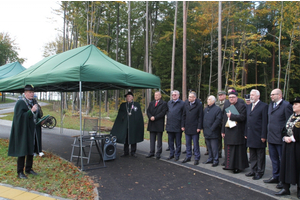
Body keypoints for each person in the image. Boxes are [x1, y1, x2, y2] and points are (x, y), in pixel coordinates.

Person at [8, 85, 43, 179]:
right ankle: (20, 172)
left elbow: (36, 115)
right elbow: (19, 117)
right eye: (29, 92)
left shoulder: (34, 102)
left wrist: (40, 119)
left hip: (32, 131)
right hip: (23, 131)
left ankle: (28, 169)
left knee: (31, 150)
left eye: (32, 92)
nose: (32, 94)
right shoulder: (21, 103)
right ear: (25, 93)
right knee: (23, 150)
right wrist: (31, 111)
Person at [263, 89, 293, 189]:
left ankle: (282, 179)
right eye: (270, 94)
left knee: (282, 160)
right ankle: (275, 176)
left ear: (279, 95)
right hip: (271, 137)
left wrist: (284, 134)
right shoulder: (271, 105)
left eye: (273, 94)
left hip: (280, 138)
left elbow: (289, 122)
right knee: (274, 159)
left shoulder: (286, 105)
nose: (271, 96)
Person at [275, 97, 300, 198]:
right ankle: (285, 188)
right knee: (286, 165)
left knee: (297, 166)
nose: (294, 106)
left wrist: (293, 138)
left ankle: (299, 190)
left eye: (296, 104)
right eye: (293, 104)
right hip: (288, 145)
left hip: (297, 146)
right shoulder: (292, 116)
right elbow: (285, 128)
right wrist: (284, 137)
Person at [221, 91, 249, 173]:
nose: (231, 99)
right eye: (230, 97)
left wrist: (232, 116)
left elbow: (242, 117)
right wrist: (223, 130)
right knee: (228, 149)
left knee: (237, 151)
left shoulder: (242, 106)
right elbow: (224, 119)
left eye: (233, 97)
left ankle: (237, 167)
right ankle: (228, 165)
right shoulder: (227, 105)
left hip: (237, 132)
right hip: (228, 131)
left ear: (237, 98)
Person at [111, 91, 144, 158]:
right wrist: (123, 118)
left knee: (133, 138)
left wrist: (137, 123)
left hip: (133, 126)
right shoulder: (123, 105)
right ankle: (125, 152)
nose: (127, 98)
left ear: (132, 97)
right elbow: (120, 115)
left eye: (129, 96)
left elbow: (139, 116)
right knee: (125, 139)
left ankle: (133, 152)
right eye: (127, 96)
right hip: (125, 126)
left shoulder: (136, 105)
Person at [244, 89, 268, 180]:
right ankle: (253, 170)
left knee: (260, 155)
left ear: (258, 96)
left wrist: (264, 135)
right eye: (250, 95)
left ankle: (259, 172)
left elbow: (265, 122)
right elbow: (247, 121)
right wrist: (246, 133)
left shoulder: (264, 106)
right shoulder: (249, 106)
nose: (251, 96)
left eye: (253, 95)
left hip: (259, 134)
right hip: (250, 134)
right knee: (252, 154)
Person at [181, 91, 203, 165]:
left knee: (196, 144)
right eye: (189, 97)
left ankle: (197, 158)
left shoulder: (199, 105)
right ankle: (188, 156)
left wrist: (199, 127)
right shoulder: (186, 104)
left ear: (194, 98)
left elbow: (200, 117)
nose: (189, 98)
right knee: (188, 143)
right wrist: (182, 125)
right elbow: (183, 115)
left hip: (195, 127)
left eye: (191, 97)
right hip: (187, 126)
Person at [146, 91, 168, 160]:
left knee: (159, 140)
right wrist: (150, 117)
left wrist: (155, 117)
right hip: (152, 123)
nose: (156, 96)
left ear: (160, 96)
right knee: (152, 139)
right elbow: (148, 111)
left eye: (157, 95)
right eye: (155, 95)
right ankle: (151, 152)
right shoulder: (151, 103)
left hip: (159, 123)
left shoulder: (164, 103)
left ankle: (158, 153)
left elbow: (163, 112)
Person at [202, 95, 222, 167]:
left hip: (213, 131)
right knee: (209, 146)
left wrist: (212, 128)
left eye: (209, 99)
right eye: (208, 99)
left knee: (214, 147)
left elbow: (218, 120)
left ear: (213, 101)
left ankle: (215, 160)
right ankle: (210, 158)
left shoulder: (217, 109)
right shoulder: (206, 109)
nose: (208, 100)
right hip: (206, 130)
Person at [165, 90, 185, 161]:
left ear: (178, 95)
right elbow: (167, 113)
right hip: (170, 125)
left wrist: (182, 125)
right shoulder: (169, 103)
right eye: (173, 95)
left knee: (178, 142)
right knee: (170, 142)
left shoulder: (182, 103)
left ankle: (177, 155)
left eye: (175, 95)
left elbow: (183, 115)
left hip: (178, 126)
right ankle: (171, 154)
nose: (174, 96)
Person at [215, 91, 226, 158]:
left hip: (225, 124)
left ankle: (226, 155)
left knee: (226, 140)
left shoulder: (227, 103)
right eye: (219, 95)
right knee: (218, 139)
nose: (220, 96)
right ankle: (219, 153)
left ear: (225, 96)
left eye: (221, 95)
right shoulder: (216, 103)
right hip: (218, 124)